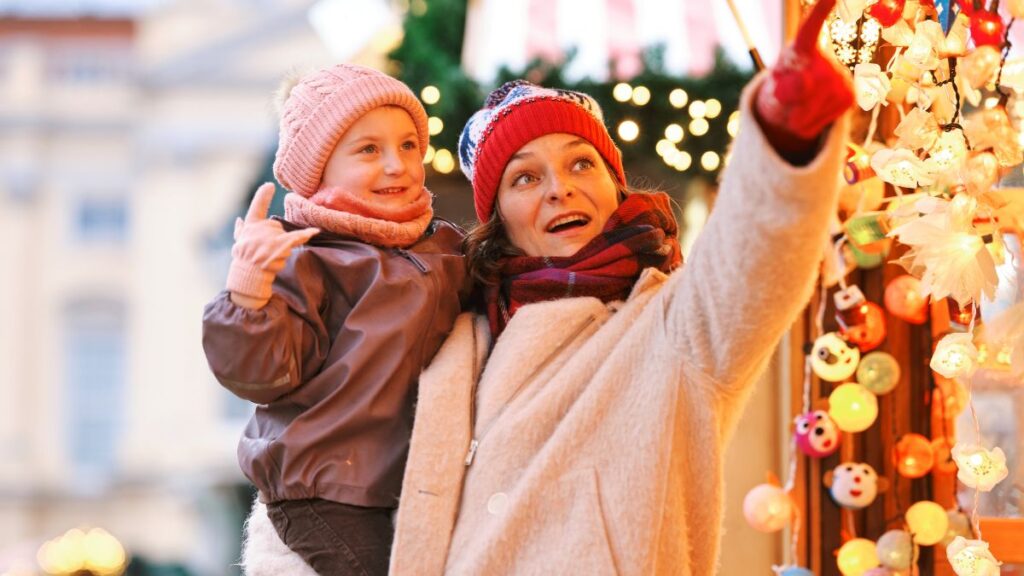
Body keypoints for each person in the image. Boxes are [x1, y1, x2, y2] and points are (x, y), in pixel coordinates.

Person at [242, 0, 852, 573]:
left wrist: (782, 139)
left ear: (616, 186)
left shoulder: (676, 326)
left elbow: (756, 258)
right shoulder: (455, 335)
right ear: (499, 217)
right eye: (526, 178)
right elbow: (339, 442)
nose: (560, 187)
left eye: (581, 163)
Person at [202, 64, 468, 576]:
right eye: (369, 150)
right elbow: (259, 373)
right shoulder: (306, 257)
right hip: (323, 489)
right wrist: (250, 290)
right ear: (318, 168)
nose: (397, 165)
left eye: (409, 145)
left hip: (410, 481)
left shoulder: (444, 248)